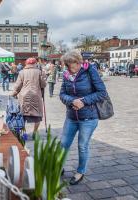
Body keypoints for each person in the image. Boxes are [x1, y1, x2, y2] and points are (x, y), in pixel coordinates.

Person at [59, 50, 108, 185]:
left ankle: (80, 171)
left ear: (78, 62)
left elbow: (102, 93)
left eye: (70, 65)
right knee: (63, 144)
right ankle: (59, 167)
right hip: (71, 116)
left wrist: (83, 101)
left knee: (82, 146)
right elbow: (62, 94)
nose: (68, 68)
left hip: (88, 118)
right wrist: (71, 101)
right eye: (67, 65)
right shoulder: (66, 74)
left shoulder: (89, 71)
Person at [12, 57, 47, 135]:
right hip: (36, 96)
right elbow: (43, 84)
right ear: (35, 64)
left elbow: (18, 85)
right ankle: (35, 132)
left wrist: (13, 93)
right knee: (37, 116)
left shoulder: (22, 72)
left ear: (26, 64)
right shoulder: (39, 72)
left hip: (24, 96)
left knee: (23, 115)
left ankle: (23, 132)